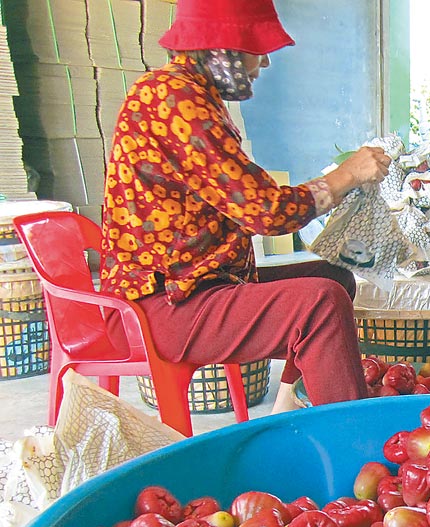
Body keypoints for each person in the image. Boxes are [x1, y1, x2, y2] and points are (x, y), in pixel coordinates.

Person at [99, 0, 392, 412]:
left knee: (334, 278)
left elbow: (246, 196)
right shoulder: (173, 99)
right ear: (223, 49)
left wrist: (341, 186)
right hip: (162, 305)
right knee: (319, 305)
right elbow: (267, 212)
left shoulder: (192, 94)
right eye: (257, 48)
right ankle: (353, 447)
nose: (265, 63)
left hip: (197, 285)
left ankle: (288, 408)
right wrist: (346, 175)